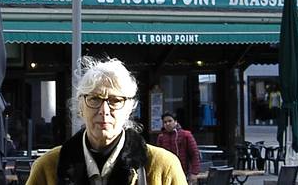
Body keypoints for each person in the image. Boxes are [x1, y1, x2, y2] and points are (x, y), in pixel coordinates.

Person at [26, 56, 185, 185]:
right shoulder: (47, 168)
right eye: (94, 99)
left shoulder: (164, 167)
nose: (104, 110)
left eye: (115, 100)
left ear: (129, 108)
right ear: (80, 106)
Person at [156, 112, 200, 182]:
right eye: (165, 122)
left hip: (184, 171)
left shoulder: (186, 135)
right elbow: (158, 157)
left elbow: (194, 154)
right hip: (167, 172)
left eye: (170, 121)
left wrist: (194, 172)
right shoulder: (161, 137)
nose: (167, 124)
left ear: (175, 122)